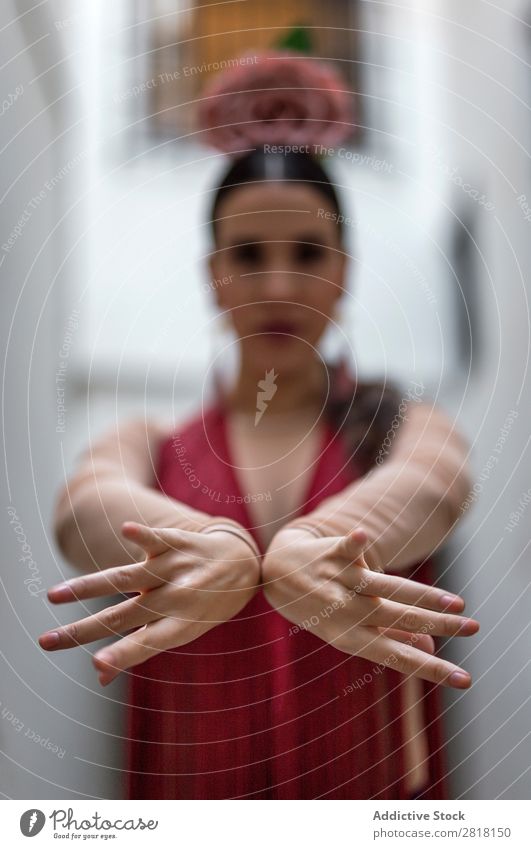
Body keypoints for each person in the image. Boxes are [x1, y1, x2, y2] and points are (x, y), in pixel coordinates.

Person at [39, 52, 478, 800]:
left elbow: (436, 479)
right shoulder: (153, 441)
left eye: (306, 254)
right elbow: (83, 505)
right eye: (248, 255)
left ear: (342, 270)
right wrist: (216, 544)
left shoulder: (398, 422)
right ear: (214, 276)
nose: (277, 284)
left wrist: (316, 538)